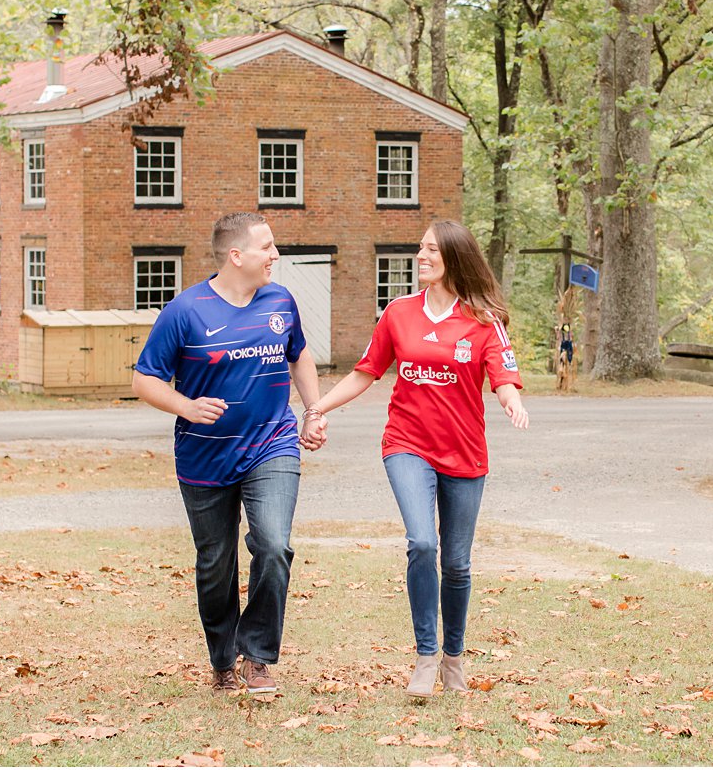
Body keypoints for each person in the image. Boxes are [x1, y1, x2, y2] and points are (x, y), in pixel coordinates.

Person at [302, 220, 528, 697]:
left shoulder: (485, 319)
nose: (420, 255)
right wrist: (318, 406)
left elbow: (503, 374)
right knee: (423, 543)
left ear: (454, 257)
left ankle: (453, 659)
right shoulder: (398, 313)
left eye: (430, 249)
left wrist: (511, 399)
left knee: (459, 563)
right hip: (407, 444)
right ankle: (426, 657)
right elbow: (366, 372)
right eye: (419, 248)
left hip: (465, 452)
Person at [132, 212, 325, 696]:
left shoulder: (280, 301)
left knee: (274, 544)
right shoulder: (185, 311)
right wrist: (186, 406)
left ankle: (258, 655)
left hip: (272, 443)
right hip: (205, 456)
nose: (275, 256)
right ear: (236, 256)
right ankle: (222, 659)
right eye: (267, 247)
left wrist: (313, 411)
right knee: (215, 562)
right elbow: (144, 378)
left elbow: (298, 354)